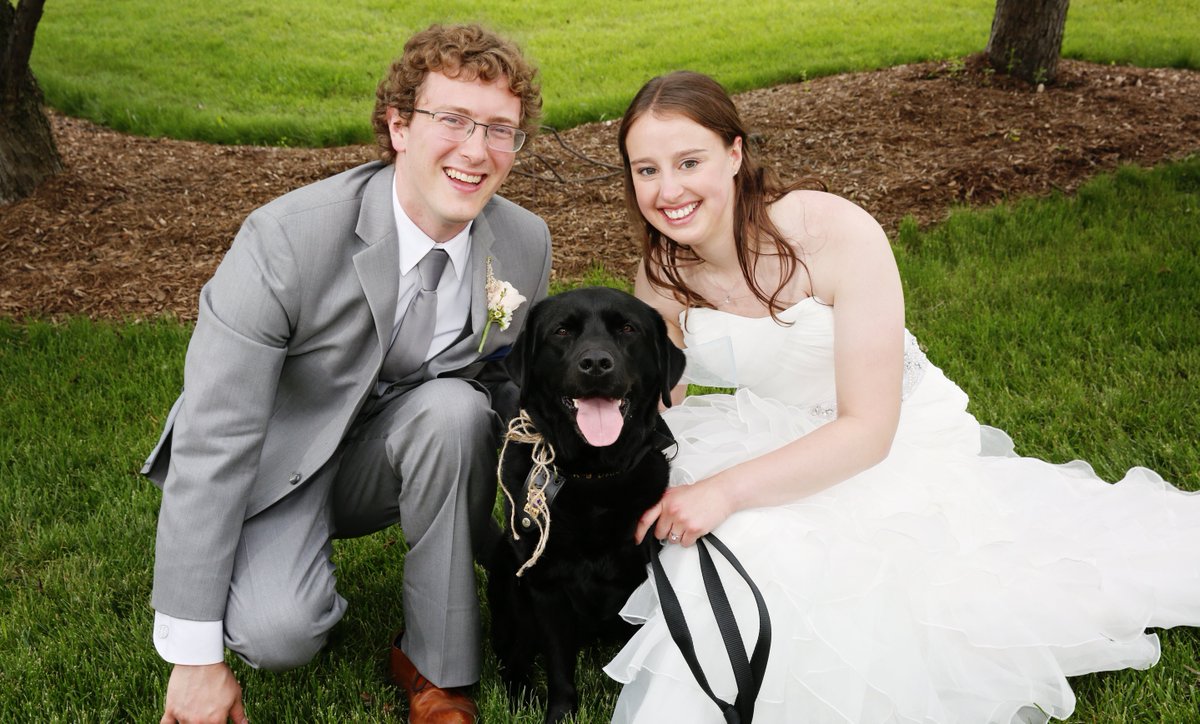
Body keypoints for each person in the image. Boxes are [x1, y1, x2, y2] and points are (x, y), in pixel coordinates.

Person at [602, 70, 1200, 723]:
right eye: (646, 170)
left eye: (689, 162)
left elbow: (869, 429)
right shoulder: (660, 275)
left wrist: (724, 491)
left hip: (890, 439)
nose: (668, 190)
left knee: (771, 545)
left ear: (735, 153)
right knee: (703, 535)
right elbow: (661, 405)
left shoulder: (829, 232)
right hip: (770, 427)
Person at [140, 24, 551, 724]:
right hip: (275, 460)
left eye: (499, 130)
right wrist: (195, 657)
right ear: (398, 126)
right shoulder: (285, 240)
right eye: (452, 120)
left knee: (454, 411)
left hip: (399, 449)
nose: (476, 150)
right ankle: (272, 569)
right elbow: (216, 433)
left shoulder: (524, 242)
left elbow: (508, 390)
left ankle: (436, 670)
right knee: (279, 634)